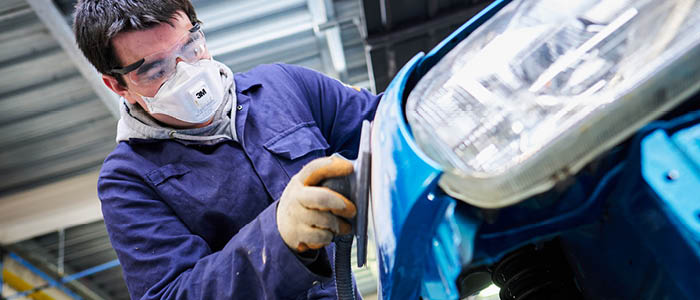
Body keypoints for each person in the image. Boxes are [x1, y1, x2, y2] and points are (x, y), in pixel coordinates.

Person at [72, 0, 380, 299]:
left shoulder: (284, 87)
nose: (187, 73)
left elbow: (385, 126)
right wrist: (277, 237)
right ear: (118, 86)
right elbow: (170, 295)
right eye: (155, 71)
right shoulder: (128, 180)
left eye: (190, 47)